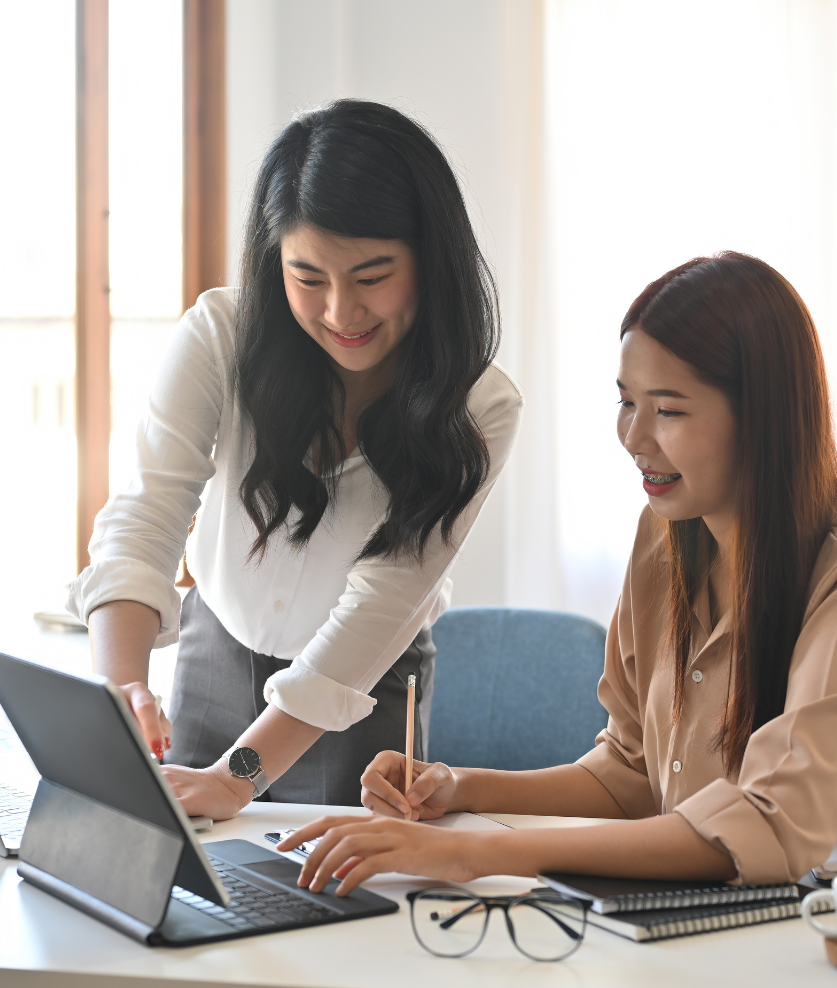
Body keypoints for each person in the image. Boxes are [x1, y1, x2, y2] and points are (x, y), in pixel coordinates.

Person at [280, 251, 837, 892]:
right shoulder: (666, 537)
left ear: (764, 419)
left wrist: (478, 853)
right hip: (719, 912)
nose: (633, 438)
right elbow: (633, 773)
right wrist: (460, 788)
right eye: (625, 402)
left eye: (666, 410)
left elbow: (773, 826)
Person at [67, 100, 521, 819]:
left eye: (372, 275)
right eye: (308, 277)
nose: (342, 311)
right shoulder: (221, 336)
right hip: (215, 645)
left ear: (430, 261)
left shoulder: (478, 407)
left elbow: (382, 604)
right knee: (191, 878)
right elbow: (147, 513)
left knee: (342, 900)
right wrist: (121, 687)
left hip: (362, 680)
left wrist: (238, 774)